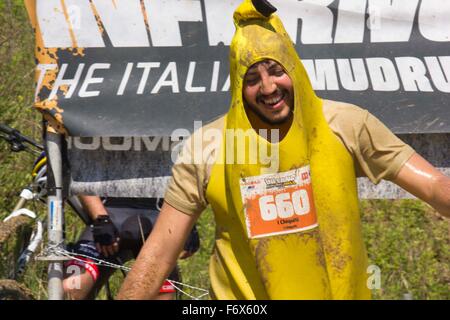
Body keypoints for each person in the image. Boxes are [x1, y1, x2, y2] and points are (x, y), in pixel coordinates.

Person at [117, 0, 450, 300]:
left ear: (294, 70)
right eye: (252, 78)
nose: (268, 87)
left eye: (276, 71)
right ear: (237, 87)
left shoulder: (346, 125)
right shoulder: (208, 148)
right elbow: (159, 252)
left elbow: (434, 186)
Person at [63, 195, 200, 300]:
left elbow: (191, 177)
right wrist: (100, 218)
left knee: (161, 294)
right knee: (72, 286)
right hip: (109, 213)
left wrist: (189, 224)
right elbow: (83, 174)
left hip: (161, 215)